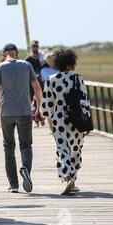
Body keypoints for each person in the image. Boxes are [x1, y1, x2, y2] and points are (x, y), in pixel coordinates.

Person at [0, 43, 43, 193]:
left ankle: (13, 185)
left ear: (3, 53)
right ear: (16, 53)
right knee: (26, 146)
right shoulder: (26, 65)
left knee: (8, 147)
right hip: (24, 112)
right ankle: (25, 169)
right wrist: (39, 107)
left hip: (6, 113)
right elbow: (37, 87)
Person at [40, 48, 90, 196]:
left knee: (63, 150)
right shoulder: (77, 78)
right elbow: (84, 101)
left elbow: (47, 103)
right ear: (69, 64)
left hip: (60, 120)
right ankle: (73, 180)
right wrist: (87, 121)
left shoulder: (51, 80)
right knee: (75, 149)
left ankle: (67, 177)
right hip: (76, 120)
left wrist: (44, 114)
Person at [26, 40, 44, 127]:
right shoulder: (28, 59)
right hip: (31, 83)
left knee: (41, 100)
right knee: (32, 101)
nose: (35, 47)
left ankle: (42, 118)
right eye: (33, 46)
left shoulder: (41, 58)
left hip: (41, 82)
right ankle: (35, 119)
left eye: (36, 46)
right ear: (31, 47)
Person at [40, 51, 58, 132]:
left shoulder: (59, 69)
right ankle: (51, 129)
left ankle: (57, 127)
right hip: (47, 92)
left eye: (52, 60)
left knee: (57, 110)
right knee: (49, 110)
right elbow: (44, 80)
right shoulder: (43, 70)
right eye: (49, 60)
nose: (51, 62)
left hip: (58, 92)